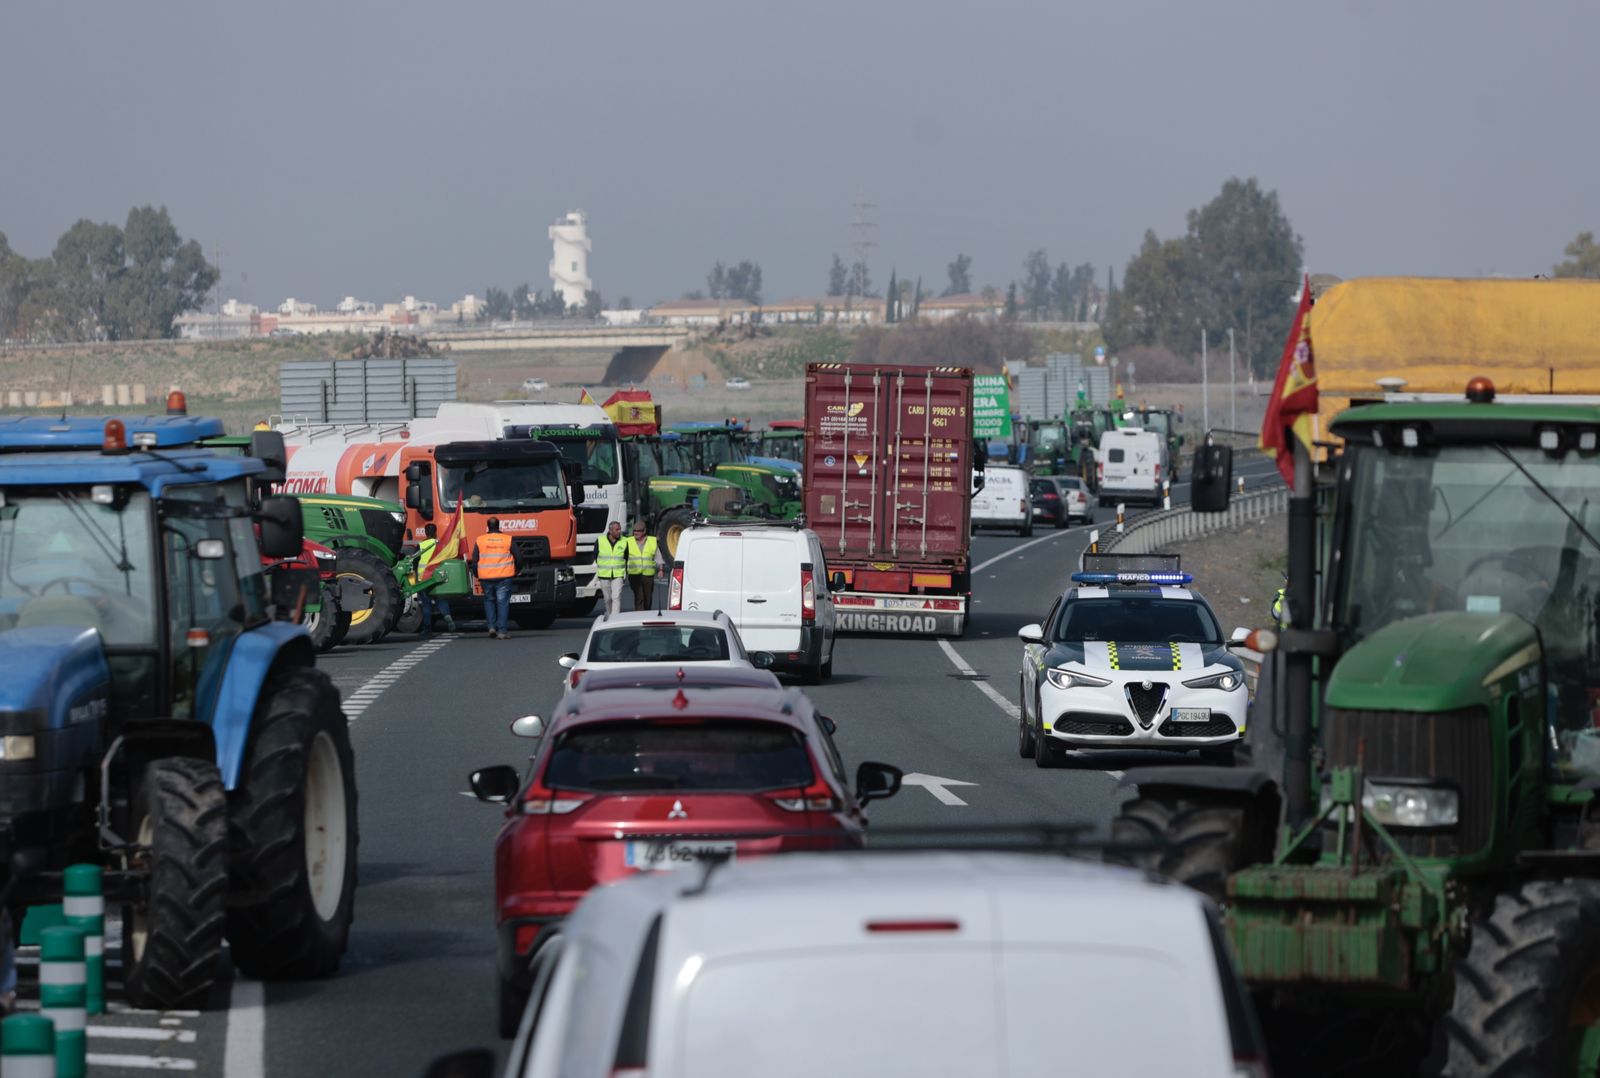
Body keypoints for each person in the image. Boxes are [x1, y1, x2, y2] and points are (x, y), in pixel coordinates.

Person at [470, 518, 516, 639]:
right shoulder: (507, 539)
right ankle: (502, 632)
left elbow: (474, 560)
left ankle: (491, 627)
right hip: (504, 576)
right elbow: (519, 557)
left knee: (489, 600)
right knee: (502, 603)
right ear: (499, 526)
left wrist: (476, 573)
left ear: (488, 526)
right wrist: (517, 570)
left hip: (486, 577)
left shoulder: (480, 540)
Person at [415, 523, 456, 639]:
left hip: (423, 579)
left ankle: (427, 630)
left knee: (426, 605)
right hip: (438, 577)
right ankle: (447, 615)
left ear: (425, 532)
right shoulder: (440, 545)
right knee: (441, 599)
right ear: (435, 532)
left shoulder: (421, 545)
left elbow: (414, 562)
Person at [625, 521, 664, 611]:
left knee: (647, 597)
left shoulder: (652, 541)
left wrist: (661, 570)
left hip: (648, 575)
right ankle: (640, 616)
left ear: (644, 531)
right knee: (639, 597)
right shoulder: (628, 541)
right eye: (634, 531)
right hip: (634, 575)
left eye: (638, 531)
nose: (636, 533)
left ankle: (646, 613)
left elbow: (658, 557)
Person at [595, 520, 628, 616]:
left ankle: (615, 618)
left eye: (620, 529)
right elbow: (595, 556)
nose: (619, 531)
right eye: (617, 529)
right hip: (604, 574)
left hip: (618, 574)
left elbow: (626, 558)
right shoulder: (600, 540)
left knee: (616, 597)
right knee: (607, 598)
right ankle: (609, 615)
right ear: (610, 531)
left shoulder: (625, 541)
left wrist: (626, 573)